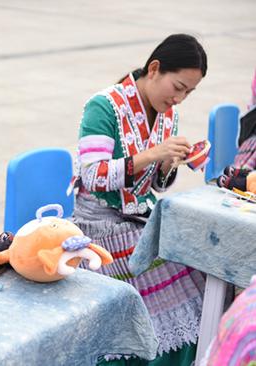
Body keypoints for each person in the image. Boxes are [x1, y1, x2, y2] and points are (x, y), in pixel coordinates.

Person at [73, 34, 207, 365]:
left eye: (188, 92)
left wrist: (166, 164)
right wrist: (151, 155)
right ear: (155, 68)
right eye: (178, 87)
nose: (180, 98)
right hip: (99, 223)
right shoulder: (103, 105)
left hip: (139, 217)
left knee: (197, 267)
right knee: (172, 283)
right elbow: (92, 176)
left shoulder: (167, 114)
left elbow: (157, 185)